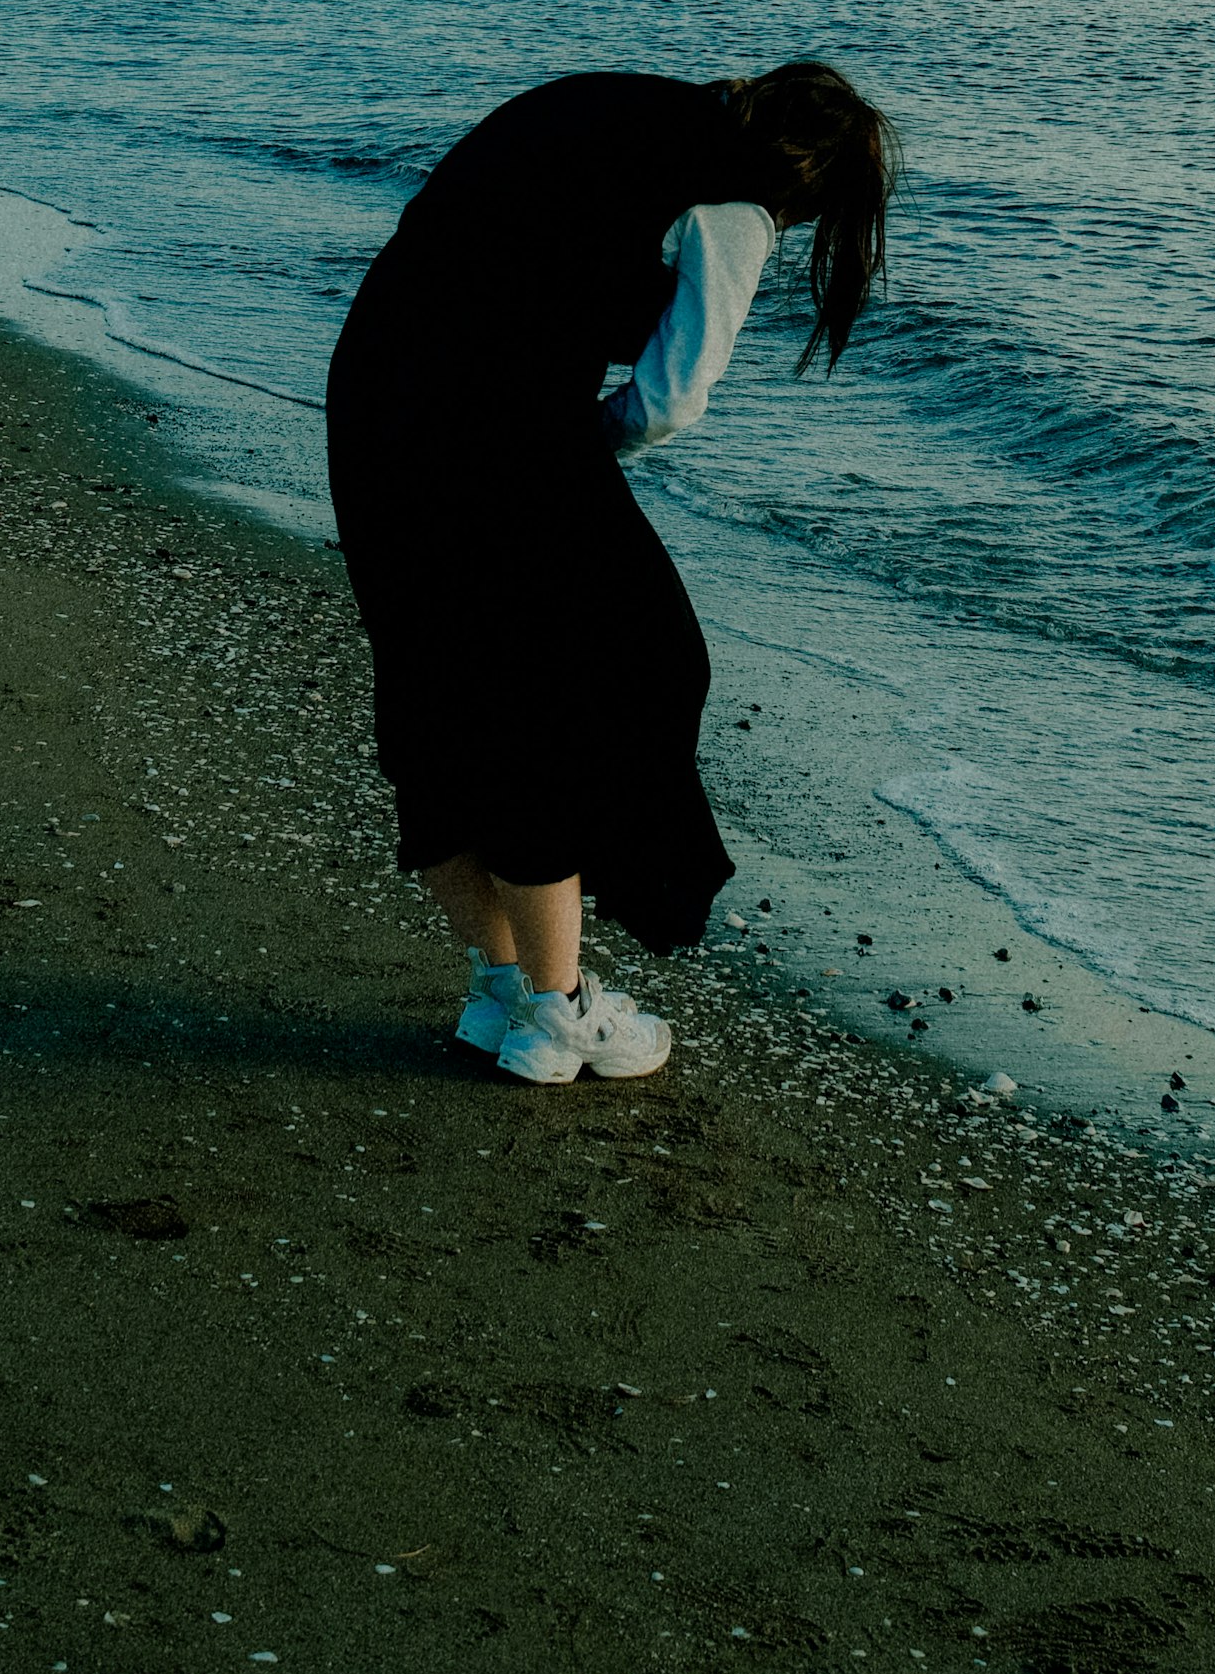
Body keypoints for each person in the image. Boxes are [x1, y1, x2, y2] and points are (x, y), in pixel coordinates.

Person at [324, 60, 900, 1091]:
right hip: (491, 424)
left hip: (373, 389)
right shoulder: (733, 202)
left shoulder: (608, 106)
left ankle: (500, 989)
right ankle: (559, 1012)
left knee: (437, 687)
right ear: (806, 187)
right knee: (623, 670)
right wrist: (568, 446)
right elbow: (672, 398)